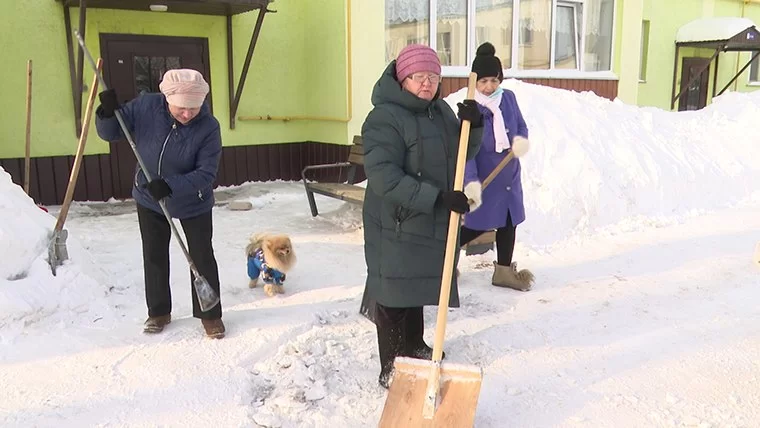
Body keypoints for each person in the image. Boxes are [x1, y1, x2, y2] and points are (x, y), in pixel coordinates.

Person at [360, 44, 485, 388]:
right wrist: (437, 197)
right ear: (403, 79)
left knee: (415, 287)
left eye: (432, 76)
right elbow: (384, 176)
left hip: (427, 217)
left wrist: (473, 127)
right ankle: (391, 365)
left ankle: (414, 344)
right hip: (395, 221)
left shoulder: (441, 111)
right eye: (418, 77)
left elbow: (462, 152)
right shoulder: (384, 117)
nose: (427, 83)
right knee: (393, 295)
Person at [95, 69, 225, 339]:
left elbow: (206, 174)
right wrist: (107, 113)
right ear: (167, 98)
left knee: (201, 257)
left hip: (193, 202)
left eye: (194, 108)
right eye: (181, 108)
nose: (188, 114)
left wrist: (170, 186)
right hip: (149, 197)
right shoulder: (146, 107)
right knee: (154, 255)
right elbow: (112, 132)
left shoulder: (209, 127)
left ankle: (210, 315)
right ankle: (158, 312)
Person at [460, 42, 535, 291]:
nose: (489, 86)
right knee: (473, 225)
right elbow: (466, 152)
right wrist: (470, 182)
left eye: (494, 80)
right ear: (474, 82)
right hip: (484, 177)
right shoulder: (470, 109)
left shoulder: (509, 99)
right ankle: (442, 263)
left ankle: (503, 271)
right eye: (483, 81)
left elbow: (521, 126)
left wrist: (520, 141)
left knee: (508, 221)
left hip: (508, 174)